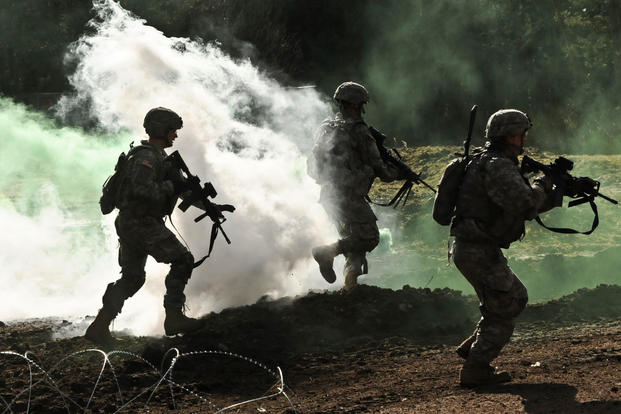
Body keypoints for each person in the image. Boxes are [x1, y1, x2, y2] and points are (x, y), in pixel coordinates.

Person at [85, 107, 233, 343]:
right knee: (182, 260)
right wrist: (170, 187)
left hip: (134, 222)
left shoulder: (160, 158)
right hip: (139, 221)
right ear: (160, 129)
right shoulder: (146, 157)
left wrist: (210, 208)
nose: (175, 135)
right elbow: (139, 191)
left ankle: (99, 326)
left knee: (132, 278)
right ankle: (173, 318)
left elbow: (185, 192)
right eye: (172, 130)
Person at [450, 109, 559, 386]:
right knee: (504, 307)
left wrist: (553, 191)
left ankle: (473, 347)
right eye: (520, 133)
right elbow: (525, 204)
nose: (523, 139)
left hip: (476, 247)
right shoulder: (498, 166)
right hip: (478, 250)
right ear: (510, 135)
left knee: (517, 296)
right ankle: (476, 368)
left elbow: (517, 203)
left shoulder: (485, 161)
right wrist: (542, 184)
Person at [307, 82, 408, 292]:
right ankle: (327, 252)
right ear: (355, 104)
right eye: (361, 104)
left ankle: (350, 284)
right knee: (369, 238)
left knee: (354, 242)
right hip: (349, 196)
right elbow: (379, 167)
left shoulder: (326, 127)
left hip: (328, 195)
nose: (362, 108)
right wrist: (400, 173)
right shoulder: (359, 131)